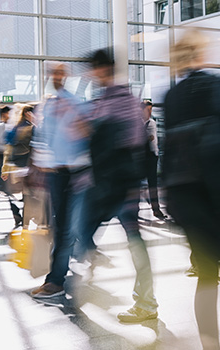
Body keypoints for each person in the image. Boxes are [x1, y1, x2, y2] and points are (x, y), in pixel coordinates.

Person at [80, 49, 158, 322]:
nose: (91, 74)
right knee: (93, 233)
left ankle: (146, 303)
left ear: (103, 69)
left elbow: (130, 142)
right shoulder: (104, 100)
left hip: (120, 187)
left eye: (94, 69)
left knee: (132, 241)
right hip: (112, 184)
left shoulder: (120, 99)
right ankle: (145, 301)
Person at [163, 29, 220, 349]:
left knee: (207, 275)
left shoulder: (172, 96)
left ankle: (210, 343)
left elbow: (170, 154)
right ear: (200, 53)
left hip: (186, 198)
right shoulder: (214, 86)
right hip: (213, 193)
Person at [30, 63, 92, 300]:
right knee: (62, 227)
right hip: (56, 173)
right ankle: (60, 275)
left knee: (65, 229)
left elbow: (85, 135)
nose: (54, 77)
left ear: (66, 77)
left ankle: (56, 280)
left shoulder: (73, 104)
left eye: (59, 73)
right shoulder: (51, 104)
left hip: (71, 173)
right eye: (52, 73)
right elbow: (44, 137)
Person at [141, 100, 166, 220]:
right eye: (148, 110)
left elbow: (154, 141)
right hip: (141, 157)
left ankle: (156, 209)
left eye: (151, 109)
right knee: (138, 185)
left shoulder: (152, 123)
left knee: (153, 184)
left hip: (152, 156)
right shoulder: (138, 124)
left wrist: (156, 155)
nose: (150, 112)